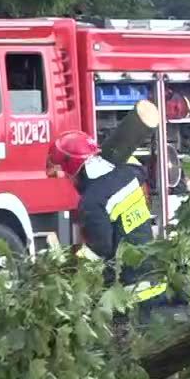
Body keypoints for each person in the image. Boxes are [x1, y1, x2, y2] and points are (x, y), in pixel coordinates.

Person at [46, 131, 167, 315]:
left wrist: (71, 269)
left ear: (73, 168)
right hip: (155, 279)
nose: (68, 180)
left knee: (131, 334)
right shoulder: (130, 172)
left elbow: (100, 250)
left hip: (130, 295)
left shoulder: (92, 202)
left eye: (66, 175)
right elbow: (137, 168)